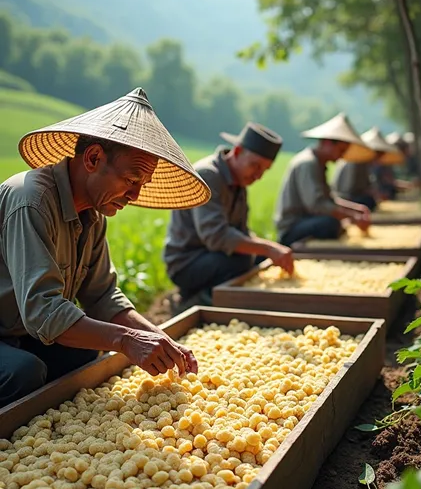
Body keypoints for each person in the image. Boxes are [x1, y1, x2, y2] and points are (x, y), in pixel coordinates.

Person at [0, 88, 211, 407]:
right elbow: (43, 313)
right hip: (13, 332)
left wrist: (157, 337)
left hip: (20, 333)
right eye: (132, 179)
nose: (135, 195)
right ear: (94, 158)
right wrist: (126, 340)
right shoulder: (31, 201)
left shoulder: (94, 214)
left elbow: (101, 296)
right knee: (25, 373)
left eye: (142, 184)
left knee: (87, 353)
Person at [164, 122, 294, 308]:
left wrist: (268, 250)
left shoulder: (239, 181)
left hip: (212, 256)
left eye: (264, 170)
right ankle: (197, 301)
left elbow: (241, 232)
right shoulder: (208, 175)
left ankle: (217, 292)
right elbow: (216, 236)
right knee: (243, 259)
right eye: (255, 166)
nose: (258, 176)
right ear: (238, 151)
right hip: (187, 263)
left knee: (259, 258)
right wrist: (268, 247)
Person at [274, 113, 375, 247]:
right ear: (327, 142)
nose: (341, 156)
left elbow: (329, 200)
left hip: (309, 220)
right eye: (340, 150)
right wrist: (351, 216)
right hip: (293, 226)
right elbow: (316, 205)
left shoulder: (320, 165)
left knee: (336, 221)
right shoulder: (307, 163)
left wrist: (357, 209)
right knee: (330, 224)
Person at [332, 127, 405, 211]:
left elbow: (368, 185)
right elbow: (346, 191)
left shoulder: (365, 165)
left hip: (355, 197)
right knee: (368, 201)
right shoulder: (354, 163)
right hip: (346, 198)